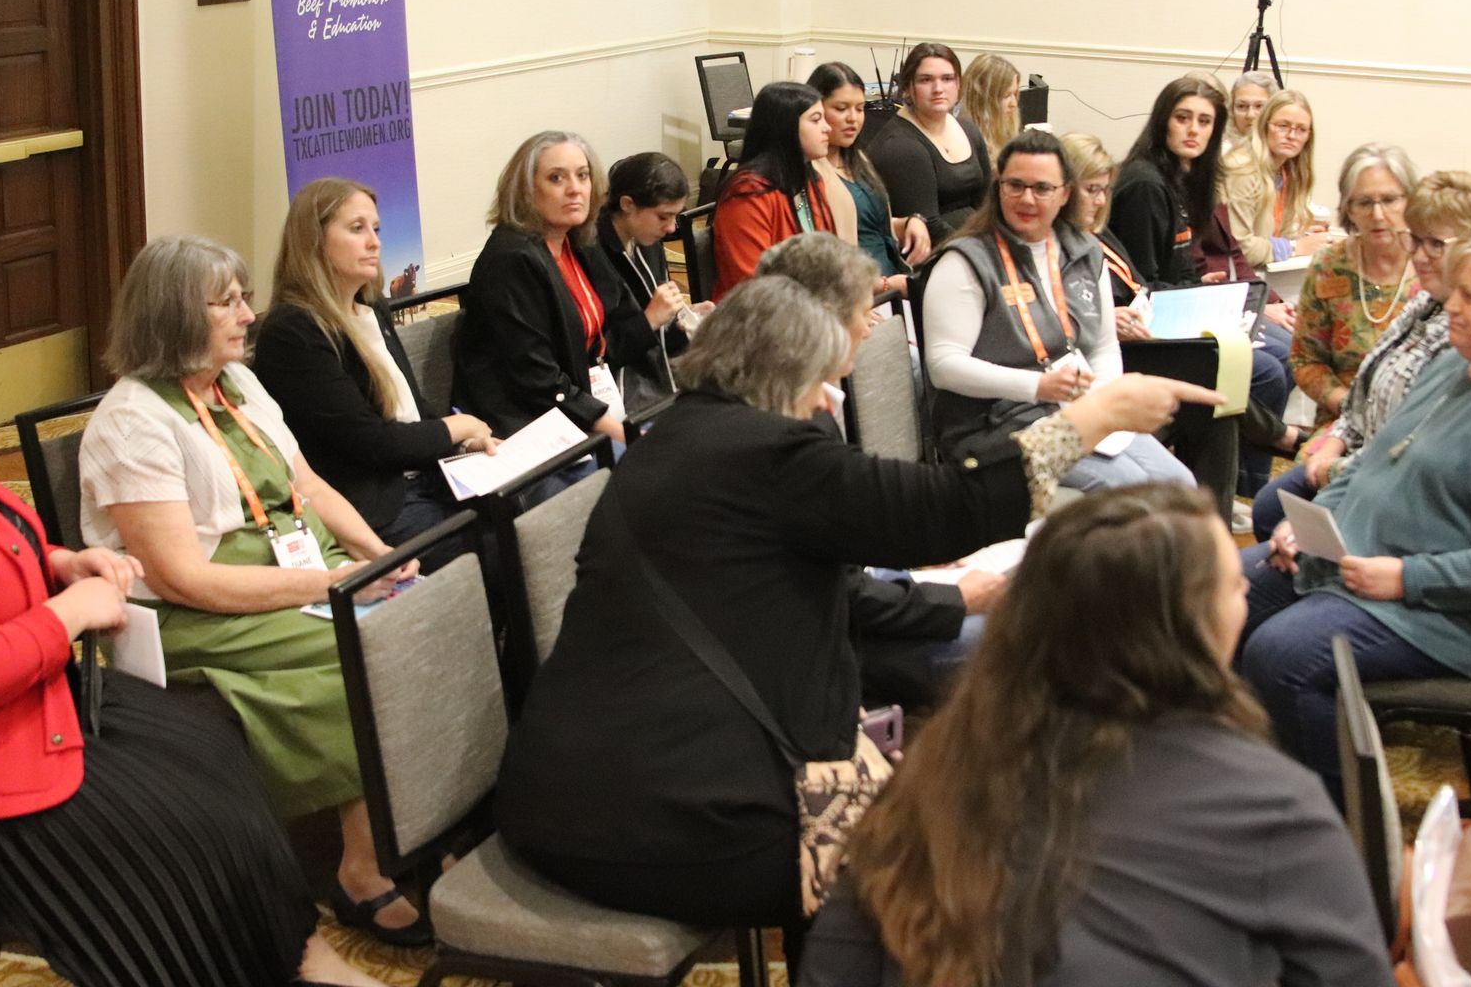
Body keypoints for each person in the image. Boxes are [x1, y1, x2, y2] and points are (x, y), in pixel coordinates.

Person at [494, 277, 1221, 966]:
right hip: (660, 820)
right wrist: (1094, 417)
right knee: (952, 871)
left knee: (952, 817)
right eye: (822, 378)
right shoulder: (767, 455)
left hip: (584, 786)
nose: (829, 397)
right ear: (781, 372)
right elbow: (946, 509)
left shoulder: (685, 438)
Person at [0, 253, 387, 987]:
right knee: (182, 831)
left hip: (11, 718)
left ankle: (290, 958)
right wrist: (68, 613)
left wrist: (58, 563)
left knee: (207, 755)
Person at [799, 484, 1395, 987]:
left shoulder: (935, 767)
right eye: (1232, 586)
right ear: (1191, 626)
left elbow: (836, 957)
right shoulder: (1273, 806)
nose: (1247, 588)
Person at [78, 235, 428, 947]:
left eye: (244, 296)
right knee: (357, 649)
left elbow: (307, 486)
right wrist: (330, 584)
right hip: (192, 613)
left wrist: (378, 555)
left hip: (292, 564)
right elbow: (183, 577)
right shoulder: (129, 423)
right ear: (175, 316)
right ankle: (359, 867)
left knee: (426, 612)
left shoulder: (238, 382)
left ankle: (421, 826)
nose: (248, 314)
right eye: (227, 302)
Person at [1242, 221, 1471, 797]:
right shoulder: (1461, 359)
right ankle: (1256, 781)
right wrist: (1306, 526)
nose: (1449, 306)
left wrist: (1408, 578)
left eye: (1470, 296)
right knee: (1215, 596)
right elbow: (1373, 457)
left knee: (1281, 656)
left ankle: (1342, 835)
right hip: (1360, 559)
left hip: (1456, 614)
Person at [754, 232, 995, 708]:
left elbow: (848, 533)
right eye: (864, 313)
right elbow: (840, 598)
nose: (871, 327)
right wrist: (956, 600)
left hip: (850, 605)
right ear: (819, 319)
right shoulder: (776, 424)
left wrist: (912, 555)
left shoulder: (804, 395)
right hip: (817, 650)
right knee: (1020, 636)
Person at [924, 129, 1194, 492]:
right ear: (998, 188)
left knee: (1179, 483)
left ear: (1064, 193)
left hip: (1072, 407)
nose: (1027, 199)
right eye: (1015, 185)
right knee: (1129, 490)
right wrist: (1038, 386)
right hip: (996, 423)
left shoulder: (1083, 251)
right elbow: (944, 366)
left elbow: (1101, 345)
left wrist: (1103, 399)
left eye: (1042, 188)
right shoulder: (965, 262)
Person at [1252, 170, 1471, 537]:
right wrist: (1334, 444)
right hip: (1359, 450)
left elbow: (1410, 456)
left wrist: (1334, 470)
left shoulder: (1466, 332)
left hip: (1396, 493)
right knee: (1269, 506)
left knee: (1273, 527)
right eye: (1415, 240)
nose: (1419, 256)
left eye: (1434, 244)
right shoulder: (1425, 302)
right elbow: (1361, 388)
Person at [253, 178, 496, 548]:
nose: (374, 241)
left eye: (376, 228)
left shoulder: (373, 309)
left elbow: (413, 409)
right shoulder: (292, 331)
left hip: (428, 476)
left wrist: (464, 444)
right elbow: (371, 443)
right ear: (314, 240)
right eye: (357, 228)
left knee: (532, 509)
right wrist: (457, 427)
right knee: (495, 548)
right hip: (376, 505)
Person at [1065, 132, 1297, 515]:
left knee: (1217, 395)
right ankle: (1280, 437)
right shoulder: (1064, 242)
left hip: (1147, 324)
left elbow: (1140, 284)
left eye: (1104, 190)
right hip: (1121, 351)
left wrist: (1189, 289)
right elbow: (1072, 318)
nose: (1101, 200)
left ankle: (1213, 524)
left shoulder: (1096, 233)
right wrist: (1110, 318)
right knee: (1215, 367)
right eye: (1091, 190)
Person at [455, 131, 681, 444]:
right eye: (557, 178)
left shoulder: (580, 242)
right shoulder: (510, 259)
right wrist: (622, 434)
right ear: (526, 190)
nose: (575, 189)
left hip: (585, 403)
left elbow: (616, 330)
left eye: (583, 175)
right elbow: (537, 380)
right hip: (523, 424)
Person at [1292, 143, 1422, 421]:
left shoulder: (1435, 268)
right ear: (1348, 209)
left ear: (1410, 201)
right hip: (1344, 417)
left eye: (1389, 200)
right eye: (1364, 202)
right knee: (1313, 467)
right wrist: (1351, 407)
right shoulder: (1328, 267)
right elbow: (1306, 360)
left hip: (1418, 421)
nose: (1377, 215)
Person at [594, 151, 712, 407]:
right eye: (663, 216)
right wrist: (650, 320)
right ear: (627, 205)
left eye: (675, 215)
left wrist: (685, 320)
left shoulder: (647, 239)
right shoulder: (592, 253)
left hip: (656, 370)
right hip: (619, 390)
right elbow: (597, 357)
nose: (671, 228)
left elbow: (661, 333)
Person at [808, 61, 930, 293]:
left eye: (859, 108)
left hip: (891, 276)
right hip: (858, 292)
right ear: (816, 111)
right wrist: (884, 285)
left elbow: (867, 223)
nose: (853, 119)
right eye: (841, 108)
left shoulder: (858, 160)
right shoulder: (810, 172)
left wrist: (908, 223)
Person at [712, 80, 838, 296]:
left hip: (810, 309)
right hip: (760, 318)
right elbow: (752, 282)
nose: (828, 128)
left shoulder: (811, 180)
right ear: (785, 128)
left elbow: (829, 262)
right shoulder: (748, 194)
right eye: (816, 120)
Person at [868, 42, 991, 244]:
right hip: (935, 255)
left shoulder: (968, 129)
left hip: (974, 245)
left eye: (947, 79)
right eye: (926, 80)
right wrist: (978, 254)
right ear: (908, 88)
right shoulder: (900, 147)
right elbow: (928, 226)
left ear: (959, 85)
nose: (938, 89)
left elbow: (987, 203)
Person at [1109, 75, 1226, 286]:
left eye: (1204, 121)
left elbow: (1177, 268)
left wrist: (1197, 286)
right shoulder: (1145, 185)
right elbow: (1141, 285)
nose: (1193, 130)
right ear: (1163, 122)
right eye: (1182, 118)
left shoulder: (1183, 178)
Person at [1222, 88, 1327, 268]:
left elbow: (1270, 235)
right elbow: (1238, 246)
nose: (1292, 136)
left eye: (1301, 130)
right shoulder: (1242, 169)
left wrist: (1301, 236)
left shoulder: (1285, 172)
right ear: (1264, 126)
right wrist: (1295, 247)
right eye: (1283, 126)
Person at [961, 51, 1022, 154]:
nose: (1014, 104)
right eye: (1006, 95)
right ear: (983, 99)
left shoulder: (1004, 134)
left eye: (1015, 94)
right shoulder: (963, 140)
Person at [1225, 68, 1279, 156]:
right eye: (1241, 106)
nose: (1250, 115)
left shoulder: (1285, 149)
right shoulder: (1222, 153)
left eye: (1259, 106)